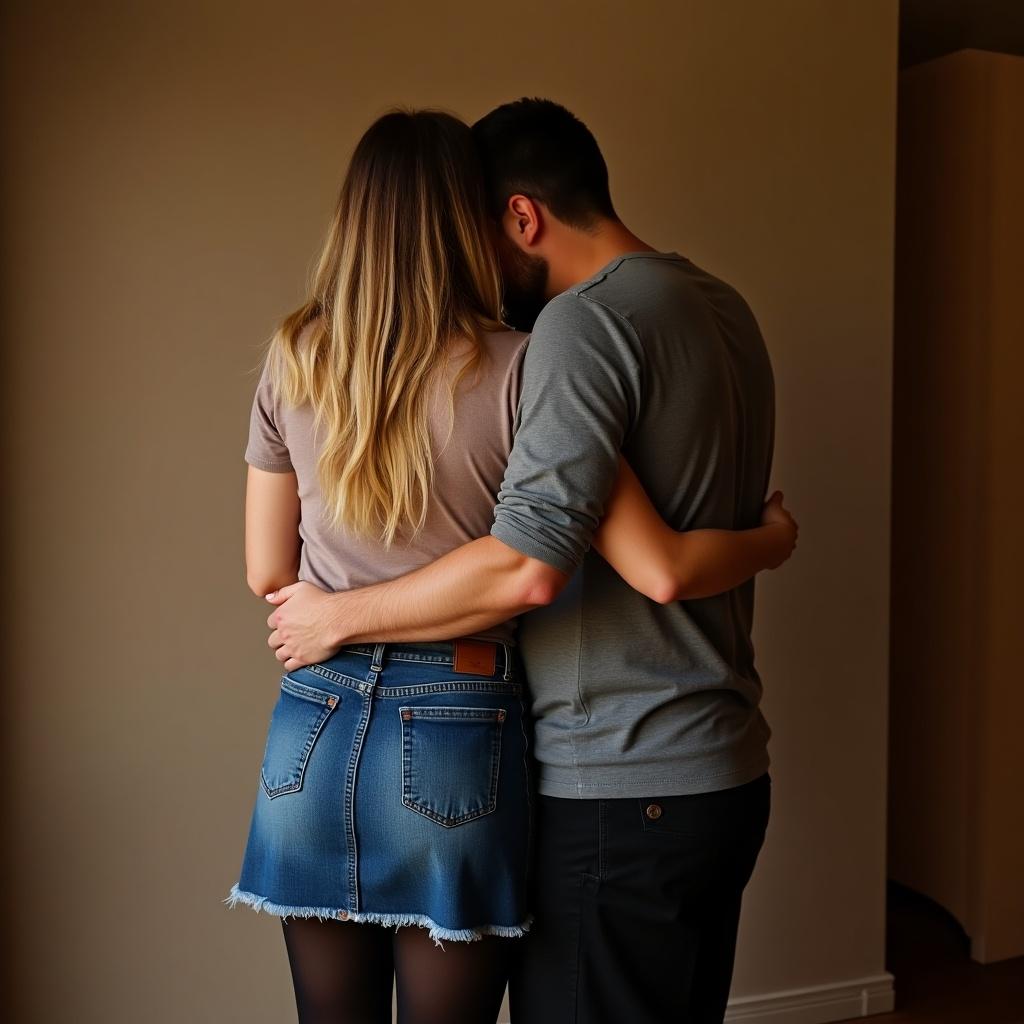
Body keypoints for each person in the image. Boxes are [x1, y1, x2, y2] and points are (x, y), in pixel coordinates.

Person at [232, 106, 795, 1024]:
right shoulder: (587, 346)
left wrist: (334, 613)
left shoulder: (299, 356)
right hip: (528, 734)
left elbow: (268, 569)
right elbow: (640, 559)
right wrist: (770, 542)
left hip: (331, 722)